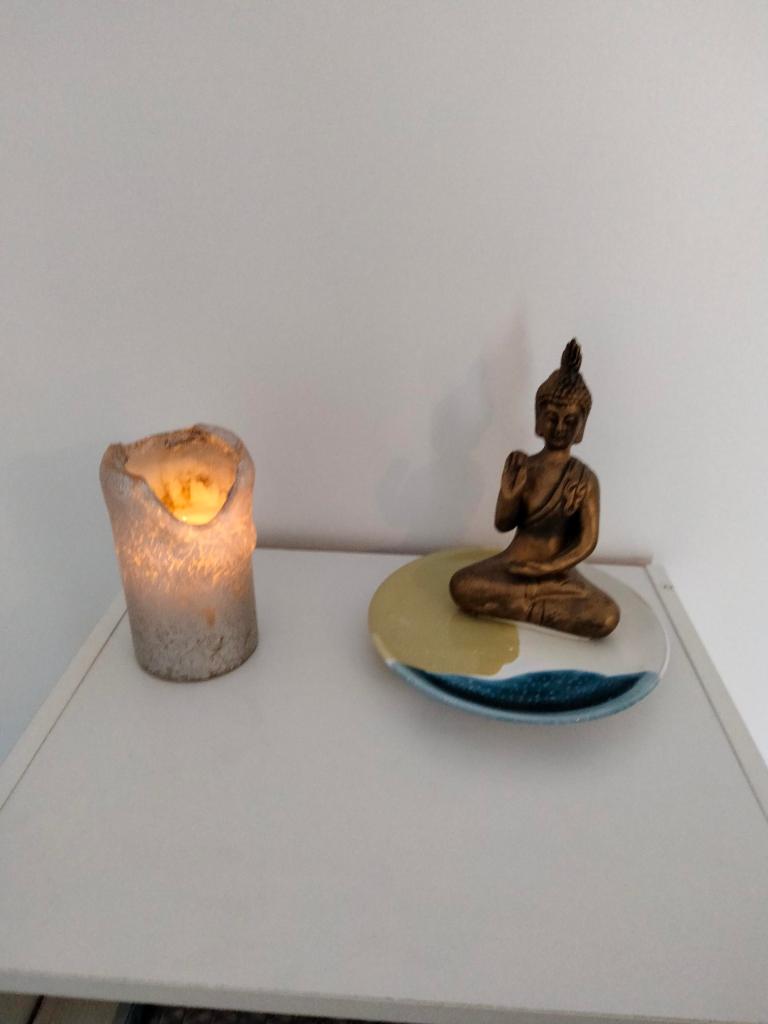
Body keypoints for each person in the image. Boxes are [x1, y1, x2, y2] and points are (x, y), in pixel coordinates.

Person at [449, 339, 620, 638]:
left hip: (558, 577)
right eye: (552, 418)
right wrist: (510, 494)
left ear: (581, 426)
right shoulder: (524, 466)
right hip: (514, 566)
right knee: (462, 585)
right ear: (538, 420)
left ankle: (520, 605)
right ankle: (534, 606)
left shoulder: (585, 479)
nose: (559, 428)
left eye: (570, 421)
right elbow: (503, 524)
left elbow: (586, 541)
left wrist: (548, 569)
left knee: (606, 616)